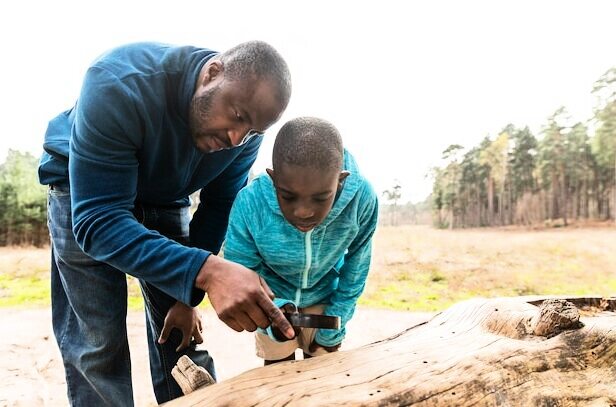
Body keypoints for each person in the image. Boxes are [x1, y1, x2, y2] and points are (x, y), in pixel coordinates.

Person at [38, 40, 296, 406]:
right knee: (98, 346)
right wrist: (206, 271)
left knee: (181, 338)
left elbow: (219, 204)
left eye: (252, 131)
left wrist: (187, 294)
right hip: (86, 193)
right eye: (237, 116)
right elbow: (98, 221)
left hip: (166, 197)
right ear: (212, 74)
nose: (237, 139)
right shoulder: (118, 83)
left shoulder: (243, 136)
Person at [224, 117, 379, 365]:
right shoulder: (250, 203)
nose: (303, 212)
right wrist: (270, 308)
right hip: (272, 299)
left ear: (340, 180)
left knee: (322, 379)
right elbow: (241, 269)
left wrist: (336, 320)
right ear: (273, 179)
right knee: (278, 380)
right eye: (288, 196)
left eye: (320, 198)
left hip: (326, 300)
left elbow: (357, 265)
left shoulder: (362, 199)